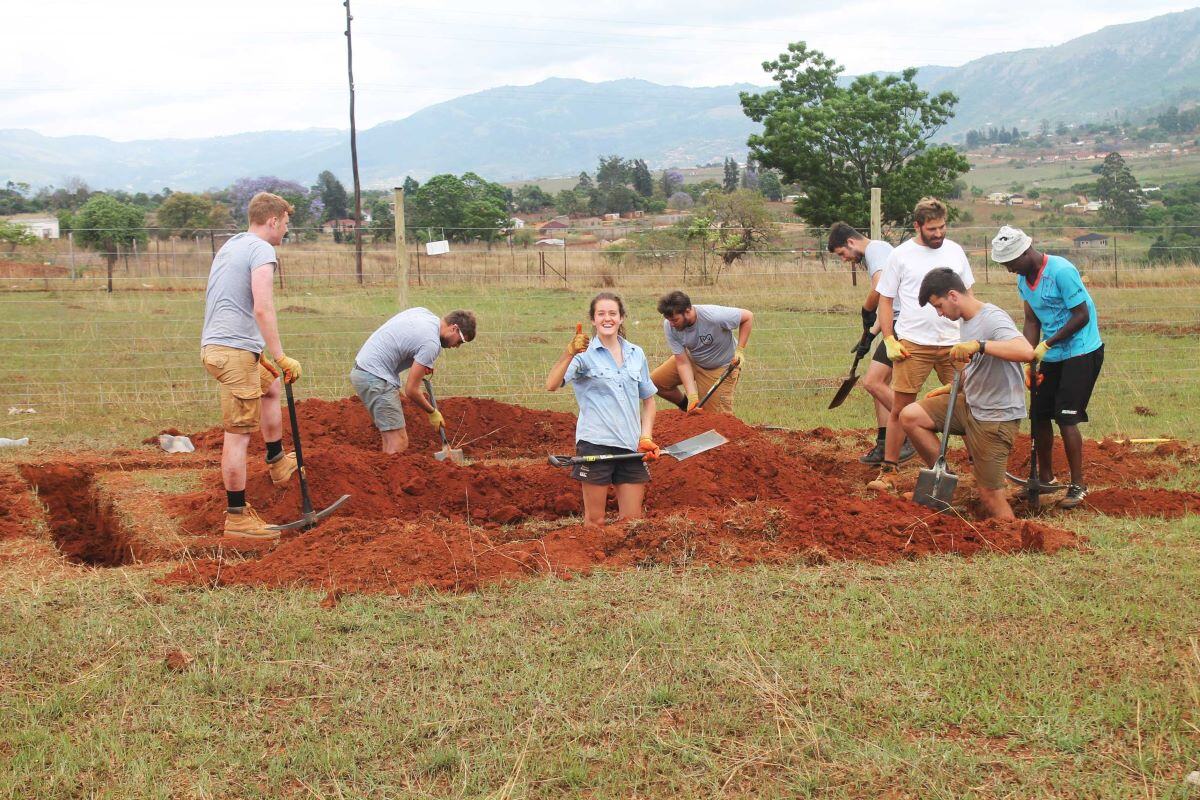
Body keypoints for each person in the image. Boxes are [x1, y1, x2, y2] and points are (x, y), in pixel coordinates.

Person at [200, 192, 302, 540]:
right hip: (233, 352)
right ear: (273, 220)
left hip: (223, 346)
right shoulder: (262, 250)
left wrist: (262, 356)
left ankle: (278, 462)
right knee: (238, 434)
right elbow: (262, 307)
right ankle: (237, 518)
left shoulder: (234, 244)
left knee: (270, 386)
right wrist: (280, 355)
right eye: (285, 223)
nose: (286, 229)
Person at [899, 268, 1034, 519]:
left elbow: (1026, 352)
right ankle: (946, 481)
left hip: (995, 416)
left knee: (990, 496)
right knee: (910, 416)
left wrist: (980, 345)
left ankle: (1011, 534)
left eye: (939, 306)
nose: (940, 313)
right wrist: (955, 386)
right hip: (971, 404)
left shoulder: (992, 318)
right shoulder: (965, 320)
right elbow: (978, 366)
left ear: (953, 296)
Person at [992, 226, 1103, 509]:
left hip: (1081, 350)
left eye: (1011, 263)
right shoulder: (1023, 280)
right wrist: (1029, 358)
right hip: (1052, 354)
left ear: (1025, 252)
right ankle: (1045, 478)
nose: (1010, 270)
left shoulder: (1061, 271)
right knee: (1039, 414)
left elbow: (1082, 315)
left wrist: (1047, 344)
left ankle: (1078, 485)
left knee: (1065, 417)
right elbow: (1032, 321)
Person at [869, 197, 975, 493]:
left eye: (942, 227)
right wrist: (889, 339)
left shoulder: (955, 251)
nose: (938, 233)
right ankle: (889, 471)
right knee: (900, 408)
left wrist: (971, 335)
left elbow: (969, 296)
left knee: (970, 404)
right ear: (917, 226)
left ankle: (979, 468)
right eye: (932, 229)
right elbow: (885, 300)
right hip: (913, 344)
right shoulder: (901, 255)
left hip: (955, 345)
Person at [546, 292, 660, 527]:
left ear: (621, 318)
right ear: (593, 319)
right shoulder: (582, 355)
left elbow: (648, 400)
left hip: (629, 446)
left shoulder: (636, 353)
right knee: (595, 521)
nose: (607, 318)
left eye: (612, 313)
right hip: (595, 444)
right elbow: (551, 385)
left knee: (632, 522)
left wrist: (646, 437)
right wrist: (569, 353)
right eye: (601, 314)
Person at [827, 222, 915, 465]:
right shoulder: (878, 252)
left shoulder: (876, 249)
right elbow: (889, 299)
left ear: (851, 242)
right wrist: (869, 335)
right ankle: (885, 443)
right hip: (895, 321)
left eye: (842, 253)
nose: (844, 259)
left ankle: (913, 430)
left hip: (904, 323)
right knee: (880, 384)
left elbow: (879, 287)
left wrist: (866, 309)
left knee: (872, 382)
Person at [349, 308, 476, 453]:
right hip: (375, 377)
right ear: (454, 328)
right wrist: (432, 412)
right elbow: (411, 390)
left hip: (363, 370)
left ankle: (386, 466)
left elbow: (408, 341)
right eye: (461, 341)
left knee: (390, 439)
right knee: (399, 441)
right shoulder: (431, 344)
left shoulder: (424, 314)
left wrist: (421, 363)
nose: (457, 346)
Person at [651, 290, 752, 415]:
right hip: (693, 359)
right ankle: (688, 408)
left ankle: (702, 415)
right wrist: (692, 396)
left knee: (715, 418)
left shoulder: (714, 315)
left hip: (720, 367)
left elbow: (748, 317)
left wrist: (740, 350)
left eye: (675, 320)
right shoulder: (670, 326)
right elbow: (682, 362)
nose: (671, 324)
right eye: (668, 319)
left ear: (688, 311)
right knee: (656, 382)